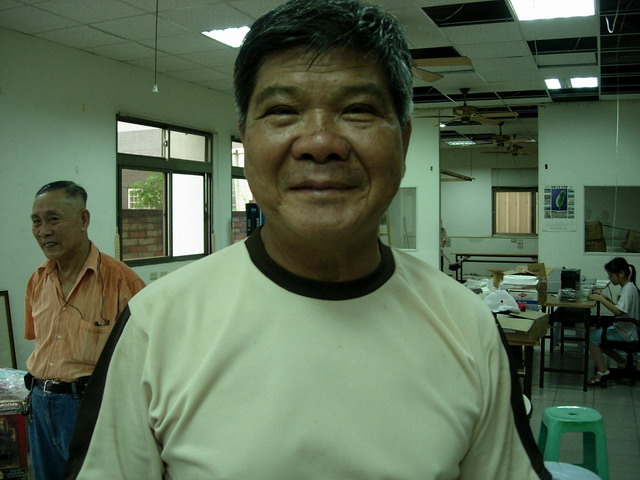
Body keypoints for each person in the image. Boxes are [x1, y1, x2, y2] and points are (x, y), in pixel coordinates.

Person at [64, 1, 550, 479]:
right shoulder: (158, 325)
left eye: (358, 110)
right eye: (282, 111)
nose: (320, 143)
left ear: (403, 141)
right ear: (246, 138)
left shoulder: (466, 325)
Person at [25, 180, 145, 480]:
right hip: (39, 403)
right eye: (37, 222)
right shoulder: (37, 280)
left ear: (83, 220)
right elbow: (39, 342)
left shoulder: (122, 283)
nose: (44, 231)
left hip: (90, 406)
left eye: (53, 219)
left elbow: (147, 361)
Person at [587, 257, 640, 385]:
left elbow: (618, 312)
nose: (610, 279)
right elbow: (620, 308)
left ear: (621, 273)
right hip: (626, 327)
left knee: (591, 337)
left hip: (626, 331)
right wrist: (606, 298)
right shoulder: (629, 287)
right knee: (598, 337)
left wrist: (601, 300)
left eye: (611, 275)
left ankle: (602, 371)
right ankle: (622, 361)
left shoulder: (628, 290)